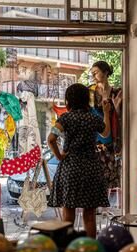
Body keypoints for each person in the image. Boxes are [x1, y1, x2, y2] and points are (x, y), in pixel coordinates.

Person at [47, 83, 111, 238]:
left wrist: (59, 156)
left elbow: (51, 139)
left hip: (71, 169)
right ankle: (90, 250)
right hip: (91, 168)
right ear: (85, 99)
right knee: (89, 217)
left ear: (69, 100)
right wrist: (106, 113)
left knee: (68, 216)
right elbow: (106, 133)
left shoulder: (64, 119)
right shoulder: (93, 118)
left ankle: (68, 249)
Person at [90, 61, 123, 189]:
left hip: (111, 137)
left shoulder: (116, 92)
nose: (93, 75)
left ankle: (104, 209)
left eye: (96, 72)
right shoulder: (90, 92)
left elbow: (121, 117)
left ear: (106, 72)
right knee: (94, 176)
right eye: (92, 73)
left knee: (109, 175)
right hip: (95, 137)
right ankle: (96, 208)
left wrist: (117, 108)